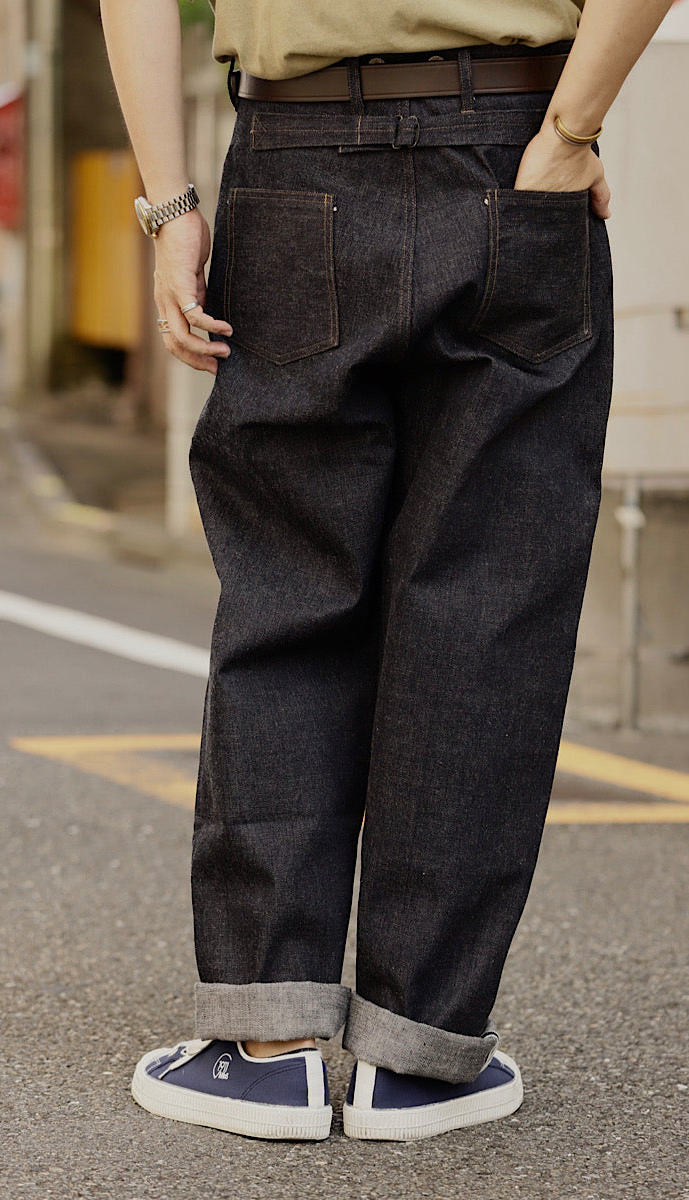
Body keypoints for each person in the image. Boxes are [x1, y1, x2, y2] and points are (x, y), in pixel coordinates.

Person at [99, 0, 672, 1142]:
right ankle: (421, 1056)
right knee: (486, 604)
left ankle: (265, 1044)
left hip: (293, 154)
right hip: (514, 140)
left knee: (288, 588)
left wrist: (170, 210)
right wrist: (571, 128)